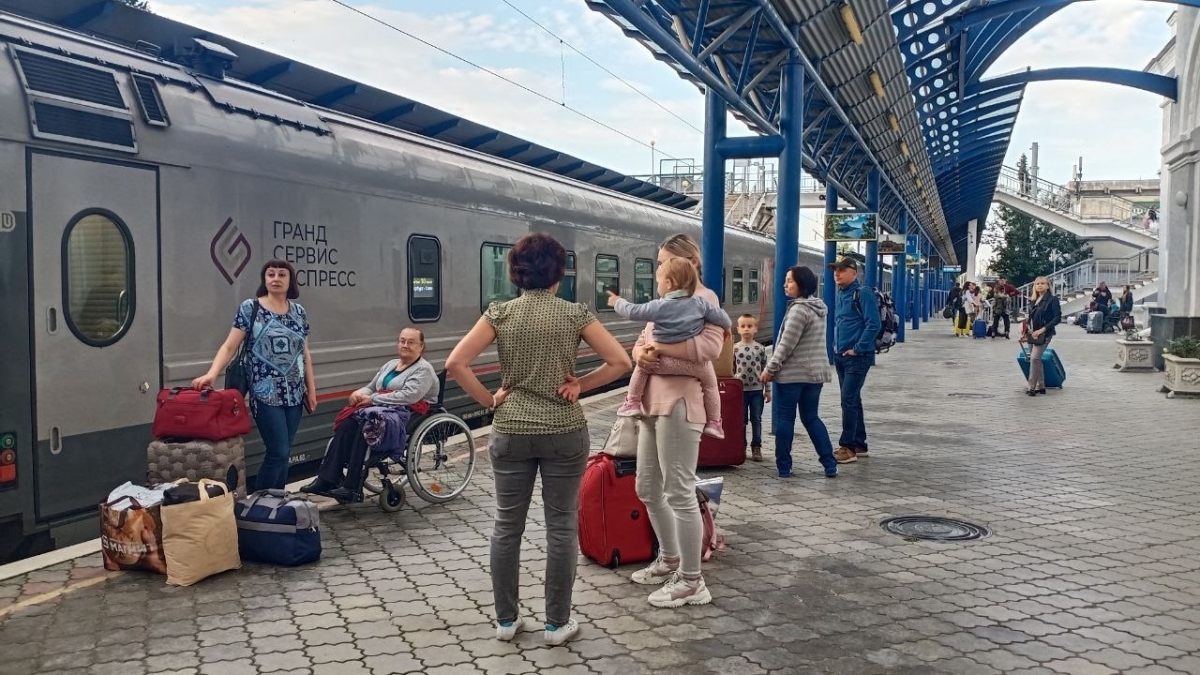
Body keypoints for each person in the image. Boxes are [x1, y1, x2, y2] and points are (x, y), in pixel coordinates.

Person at [445, 233, 629, 647]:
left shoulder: (500, 312)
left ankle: (506, 621)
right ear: (559, 273)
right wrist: (580, 385)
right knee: (561, 526)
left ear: (516, 272)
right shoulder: (574, 313)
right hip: (564, 430)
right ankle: (556, 625)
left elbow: (456, 363)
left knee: (506, 526)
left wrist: (490, 400)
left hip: (511, 430)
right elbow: (620, 361)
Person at [629, 233, 725, 609]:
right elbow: (643, 337)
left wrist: (657, 349)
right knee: (647, 487)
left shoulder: (705, 299)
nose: (659, 269)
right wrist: (640, 354)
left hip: (681, 404)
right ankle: (669, 558)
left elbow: (709, 349)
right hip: (651, 403)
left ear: (689, 263)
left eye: (664, 262)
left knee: (679, 491)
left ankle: (691, 581)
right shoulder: (666, 299)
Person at [192, 259, 316, 490]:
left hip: (295, 393)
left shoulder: (299, 312)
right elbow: (229, 346)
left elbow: (304, 353)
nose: (276, 279)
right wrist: (212, 374)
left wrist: (311, 390)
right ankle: (263, 501)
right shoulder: (251, 308)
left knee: (284, 452)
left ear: (290, 280)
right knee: (278, 451)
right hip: (264, 392)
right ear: (264, 279)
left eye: (282, 274)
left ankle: (276, 499)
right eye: (271, 274)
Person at [300, 327, 438, 502]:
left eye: (411, 342)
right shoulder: (391, 364)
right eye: (402, 341)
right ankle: (327, 479)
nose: (405, 345)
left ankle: (352, 487)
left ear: (421, 346)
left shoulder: (423, 369)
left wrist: (372, 399)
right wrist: (358, 393)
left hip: (407, 413)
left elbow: (409, 396)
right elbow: (372, 387)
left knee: (368, 425)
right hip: (383, 408)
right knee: (348, 423)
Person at [608, 258, 731, 439]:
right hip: (694, 365)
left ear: (669, 283)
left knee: (641, 369)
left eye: (658, 282)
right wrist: (726, 327)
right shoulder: (700, 303)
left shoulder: (658, 306)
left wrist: (617, 301)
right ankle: (714, 422)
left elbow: (632, 311)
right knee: (711, 384)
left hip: (660, 362)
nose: (657, 286)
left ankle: (632, 402)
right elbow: (722, 318)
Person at [759, 266, 837, 478]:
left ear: (801, 284)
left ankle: (784, 467)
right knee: (811, 418)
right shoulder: (818, 308)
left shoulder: (798, 310)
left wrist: (769, 369)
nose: (785, 284)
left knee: (785, 419)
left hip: (793, 375)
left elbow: (786, 345)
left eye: (790, 281)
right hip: (814, 375)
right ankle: (829, 463)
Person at [829, 258, 879, 465]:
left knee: (848, 400)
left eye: (842, 270)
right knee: (853, 399)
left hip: (858, 357)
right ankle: (859, 444)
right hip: (842, 355)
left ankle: (848, 448)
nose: (837, 274)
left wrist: (857, 348)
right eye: (835, 270)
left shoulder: (863, 293)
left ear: (854, 273)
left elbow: (873, 323)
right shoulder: (841, 294)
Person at [733, 314, 770, 462]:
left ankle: (756, 446)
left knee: (756, 419)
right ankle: (740, 446)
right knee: (741, 420)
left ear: (755, 328)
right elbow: (732, 369)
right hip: (740, 391)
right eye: (743, 326)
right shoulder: (735, 349)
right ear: (738, 329)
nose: (746, 329)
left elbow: (766, 370)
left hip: (757, 391)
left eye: (749, 326)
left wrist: (768, 390)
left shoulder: (760, 348)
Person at [1021, 276, 1061, 396]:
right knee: (1036, 360)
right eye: (1037, 283)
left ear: (1048, 286)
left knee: (1034, 358)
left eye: (1043, 283)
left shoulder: (1052, 299)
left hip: (1045, 333)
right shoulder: (1034, 300)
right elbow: (1030, 318)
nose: (1039, 285)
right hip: (1032, 333)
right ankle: (1041, 386)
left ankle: (1031, 387)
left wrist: (1042, 330)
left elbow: (1057, 318)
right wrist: (1024, 331)